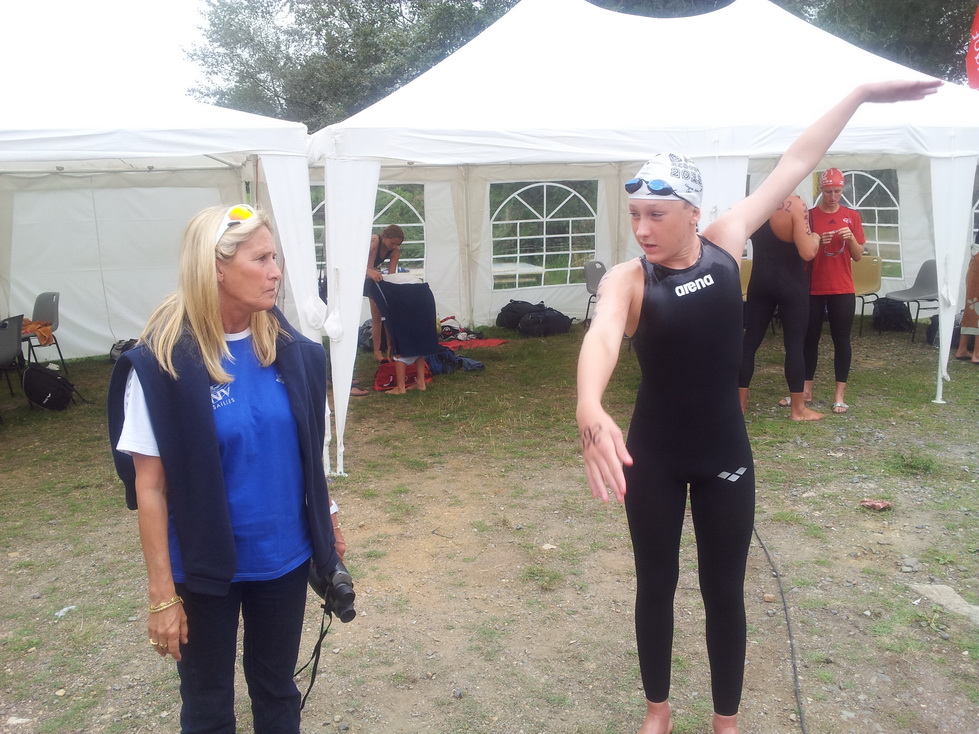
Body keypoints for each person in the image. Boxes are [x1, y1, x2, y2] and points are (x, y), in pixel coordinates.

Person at [576, 79, 940, 734]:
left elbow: (796, 161)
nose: (641, 229)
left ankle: (726, 721)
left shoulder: (725, 242)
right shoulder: (629, 279)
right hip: (652, 456)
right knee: (654, 585)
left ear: (692, 211)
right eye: (633, 215)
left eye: (655, 214)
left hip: (725, 453)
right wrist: (587, 404)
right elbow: (603, 332)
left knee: (724, 591)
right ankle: (657, 711)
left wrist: (859, 95)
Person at [107, 204, 341, 733]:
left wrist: (328, 521)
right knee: (208, 703)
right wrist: (162, 595)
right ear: (215, 267)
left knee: (277, 690)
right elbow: (150, 487)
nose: (276, 272)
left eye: (275, 258)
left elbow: (307, 451)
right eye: (261, 259)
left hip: (283, 558)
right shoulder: (163, 364)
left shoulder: (292, 352)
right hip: (204, 566)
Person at [738, 195, 823, 421]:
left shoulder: (753, 203)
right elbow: (807, 252)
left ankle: (739, 405)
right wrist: (815, 237)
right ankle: (798, 410)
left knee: (749, 343)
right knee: (794, 345)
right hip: (790, 282)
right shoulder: (795, 204)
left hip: (760, 281)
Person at [801, 168, 866, 414]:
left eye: (837, 191)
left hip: (842, 287)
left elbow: (858, 256)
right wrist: (818, 242)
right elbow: (803, 255)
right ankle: (806, 390)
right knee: (810, 339)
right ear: (821, 190)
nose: (833, 196)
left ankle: (839, 395)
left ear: (842, 190)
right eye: (828, 191)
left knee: (842, 340)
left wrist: (851, 240)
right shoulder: (810, 216)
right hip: (814, 287)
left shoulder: (852, 216)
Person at [365, 224, 405, 361]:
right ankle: (377, 351)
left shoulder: (395, 251)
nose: (393, 246)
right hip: (360, 269)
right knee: (376, 314)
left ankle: (389, 347)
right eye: (392, 243)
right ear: (385, 237)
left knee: (386, 312)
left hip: (372, 272)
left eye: (397, 244)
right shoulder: (375, 242)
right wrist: (373, 274)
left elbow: (391, 274)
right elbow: (367, 267)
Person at [955, 233, 979, 364]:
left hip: (976, 255)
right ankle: (977, 354)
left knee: (971, 308)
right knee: (975, 308)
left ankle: (962, 349)